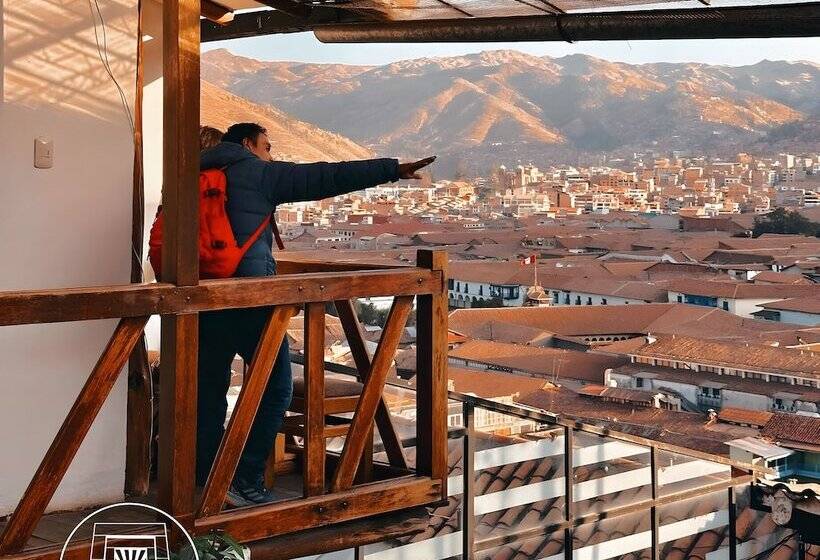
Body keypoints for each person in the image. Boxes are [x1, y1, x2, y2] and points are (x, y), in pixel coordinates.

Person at [197, 122, 435, 506]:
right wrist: (392, 169)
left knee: (207, 390)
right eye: (267, 147)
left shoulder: (188, 170)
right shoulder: (257, 172)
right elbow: (327, 176)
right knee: (274, 390)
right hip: (250, 300)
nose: (271, 155)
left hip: (202, 299)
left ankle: (202, 476)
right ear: (248, 144)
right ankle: (244, 479)